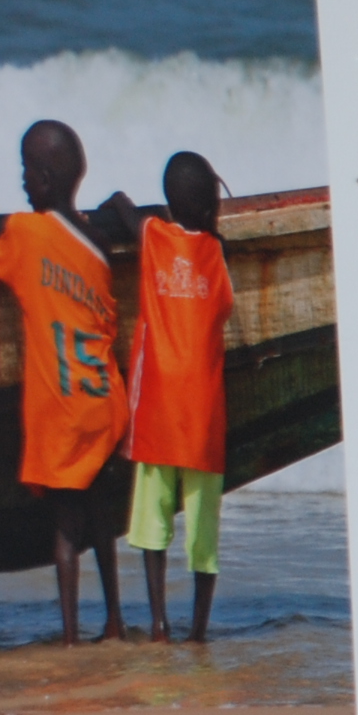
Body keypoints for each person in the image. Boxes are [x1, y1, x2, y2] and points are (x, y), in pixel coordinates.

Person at [0, 119, 130, 646]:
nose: (20, 180)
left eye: (24, 170)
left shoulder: (26, 234)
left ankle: (68, 634)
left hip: (59, 409)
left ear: (41, 176)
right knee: (102, 520)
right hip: (103, 400)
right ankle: (114, 621)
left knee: (64, 530)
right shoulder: (98, 242)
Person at [122, 151, 235, 644]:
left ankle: (160, 624)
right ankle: (199, 630)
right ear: (211, 205)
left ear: (169, 204)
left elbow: (126, 214)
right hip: (204, 414)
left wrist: (117, 203)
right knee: (202, 532)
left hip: (158, 409)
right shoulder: (217, 253)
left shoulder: (154, 236)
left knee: (152, 522)